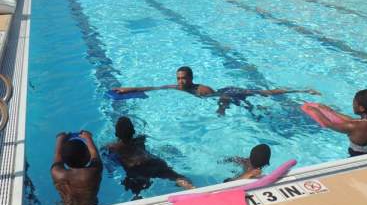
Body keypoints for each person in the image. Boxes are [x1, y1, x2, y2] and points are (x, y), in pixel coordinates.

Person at [112, 66, 321, 115]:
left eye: (183, 78)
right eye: (178, 79)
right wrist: (129, 88)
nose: (180, 82)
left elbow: (222, 96)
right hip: (224, 93)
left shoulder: (202, 89)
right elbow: (154, 88)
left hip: (229, 92)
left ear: (191, 79)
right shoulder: (176, 87)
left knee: (263, 93)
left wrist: (221, 109)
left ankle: (300, 90)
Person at [106, 116, 194, 200]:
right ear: (133, 131)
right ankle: (192, 189)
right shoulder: (141, 139)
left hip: (137, 169)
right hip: (154, 163)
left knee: (136, 191)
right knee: (177, 177)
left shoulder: (112, 147)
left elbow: (111, 164)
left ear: (116, 133)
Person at [307, 89, 367, 157]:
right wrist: (331, 111)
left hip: (358, 159)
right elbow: (352, 121)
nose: (353, 105)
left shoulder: (356, 127)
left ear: (361, 108)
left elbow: (329, 124)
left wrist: (314, 111)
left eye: (354, 103)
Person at [51, 131, 103, 205]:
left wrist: (60, 138)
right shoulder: (93, 172)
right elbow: (94, 153)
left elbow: (57, 154)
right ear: (88, 156)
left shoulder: (57, 173)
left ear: (64, 160)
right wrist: (88, 138)